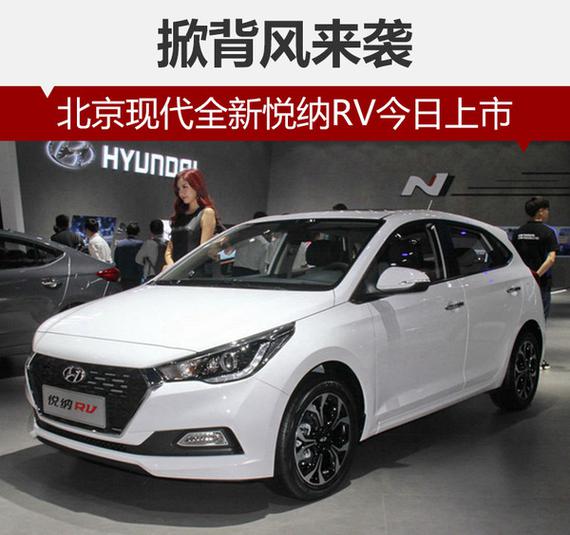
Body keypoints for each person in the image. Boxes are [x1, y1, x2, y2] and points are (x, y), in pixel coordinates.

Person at [512, 196, 558, 370]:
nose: (548, 213)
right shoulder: (548, 232)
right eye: (546, 210)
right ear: (540, 212)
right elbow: (551, 259)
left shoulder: (519, 232)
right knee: (540, 321)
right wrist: (537, 275)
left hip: (522, 283)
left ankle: (520, 357)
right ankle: (539, 359)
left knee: (521, 321)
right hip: (541, 283)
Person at [164, 169, 218, 266]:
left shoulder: (206, 213)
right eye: (178, 189)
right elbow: (169, 250)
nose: (181, 193)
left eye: (185, 187)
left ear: (196, 186)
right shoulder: (179, 216)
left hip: (195, 271)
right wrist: (171, 266)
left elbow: (202, 252)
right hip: (177, 272)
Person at [114, 223, 144, 290]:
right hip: (137, 277)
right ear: (138, 233)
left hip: (123, 277)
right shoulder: (141, 244)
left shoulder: (120, 244)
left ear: (126, 232)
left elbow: (116, 260)